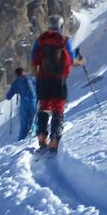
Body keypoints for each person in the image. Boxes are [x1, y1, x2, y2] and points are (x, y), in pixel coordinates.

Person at [30, 16, 73, 151]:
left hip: (43, 78)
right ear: (60, 27)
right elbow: (70, 59)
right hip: (59, 80)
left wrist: (39, 74)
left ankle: (42, 136)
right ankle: (55, 138)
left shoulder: (41, 40)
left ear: (48, 27)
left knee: (44, 107)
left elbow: (34, 60)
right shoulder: (64, 41)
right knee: (58, 108)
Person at [4, 67, 38, 140]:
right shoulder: (31, 79)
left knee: (24, 122)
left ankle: (22, 138)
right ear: (24, 72)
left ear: (16, 74)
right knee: (35, 118)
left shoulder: (16, 82)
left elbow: (8, 96)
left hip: (23, 103)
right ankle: (34, 132)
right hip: (34, 101)